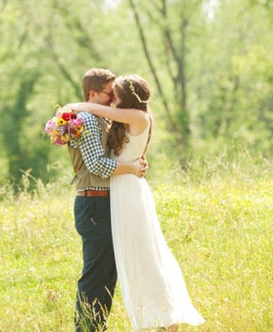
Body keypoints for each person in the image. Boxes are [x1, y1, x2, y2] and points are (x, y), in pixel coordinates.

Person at [68, 75, 205, 331]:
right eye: (109, 94)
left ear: (127, 98)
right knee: (120, 266)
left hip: (128, 195)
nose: (112, 101)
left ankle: (167, 320)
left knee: (145, 259)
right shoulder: (118, 120)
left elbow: (95, 108)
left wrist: (76, 106)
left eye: (115, 95)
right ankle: (97, 325)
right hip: (116, 196)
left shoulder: (138, 117)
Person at [68, 68, 147, 331]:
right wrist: (131, 167)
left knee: (107, 276)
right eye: (109, 94)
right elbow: (96, 165)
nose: (114, 99)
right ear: (93, 94)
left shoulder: (99, 118)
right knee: (95, 276)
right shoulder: (89, 120)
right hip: (94, 203)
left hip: (106, 203)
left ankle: (96, 328)